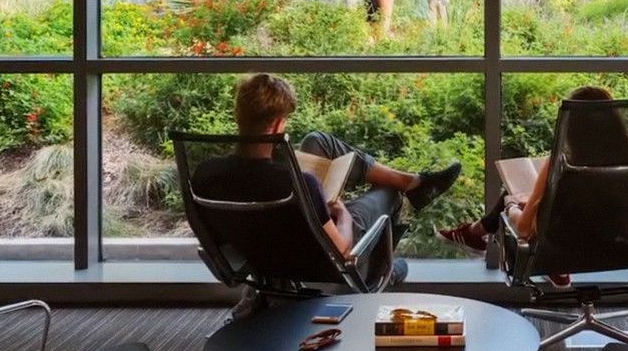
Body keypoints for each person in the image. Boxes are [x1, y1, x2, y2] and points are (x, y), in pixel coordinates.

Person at [193, 74, 463, 283]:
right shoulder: (300, 184)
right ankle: (380, 269)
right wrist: (342, 214)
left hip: (263, 258)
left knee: (316, 141)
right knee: (388, 192)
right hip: (319, 261)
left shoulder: (205, 174)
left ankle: (413, 183)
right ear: (277, 126)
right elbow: (342, 250)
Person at [437, 85, 628, 286]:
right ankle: (474, 232)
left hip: (556, 253)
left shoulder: (561, 165)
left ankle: (475, 233)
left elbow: (524, 229)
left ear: (570, 126)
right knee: (535, 204)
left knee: (510, 194)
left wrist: (511, 205)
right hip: (617, 253)